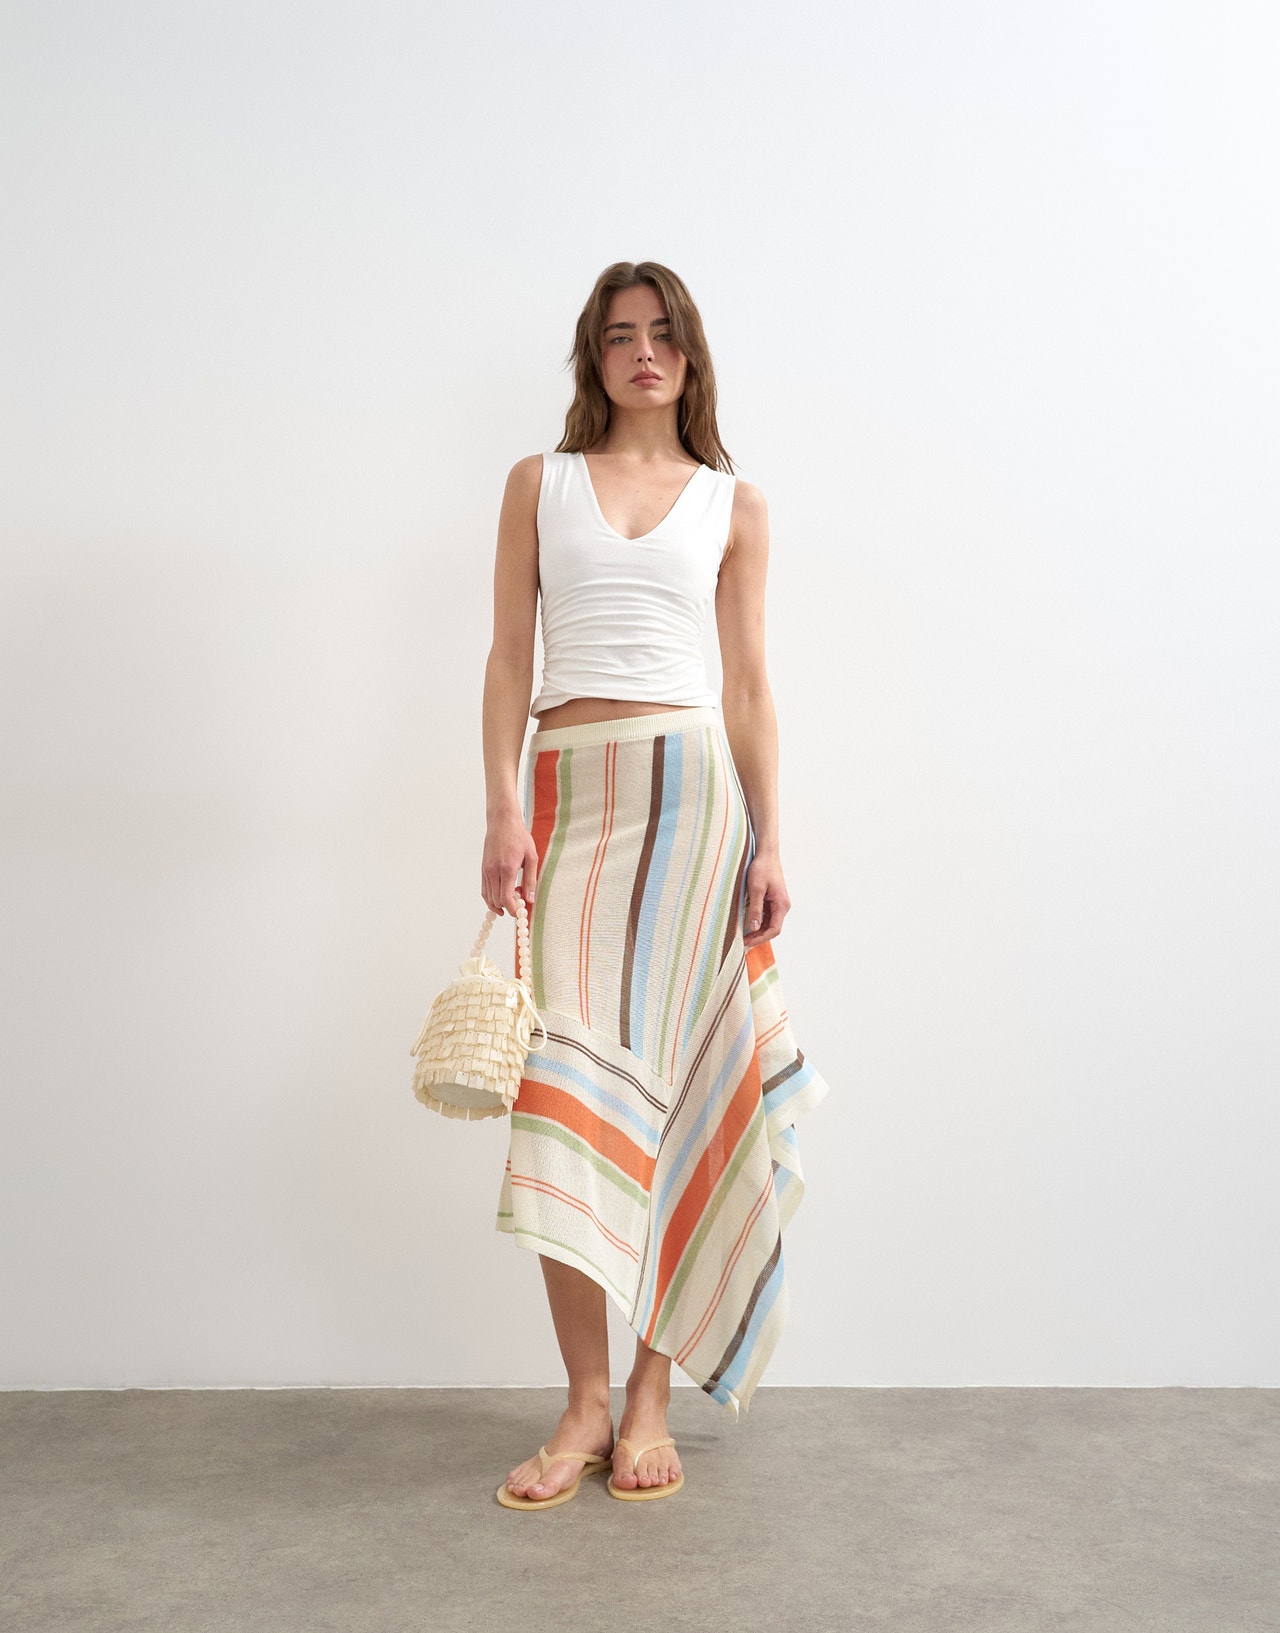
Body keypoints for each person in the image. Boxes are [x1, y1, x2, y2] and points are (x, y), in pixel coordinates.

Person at [481, 261, 830, 1509]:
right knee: (560, 1098)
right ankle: (581, 1400)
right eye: (621, 335)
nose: (643, 353)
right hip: (569, 797)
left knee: (681, 1092)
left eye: (663, 333)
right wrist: (500, 810)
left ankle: (644, 1396)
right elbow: (507, 656)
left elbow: (747, 683)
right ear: (595, 355)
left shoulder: (734, 503)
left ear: (689, 356)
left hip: (691, 804)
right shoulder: (540, 483)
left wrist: (771, 840)